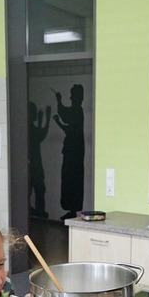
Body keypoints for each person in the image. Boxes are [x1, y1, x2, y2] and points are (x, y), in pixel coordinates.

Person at [53, 84, 85, 221]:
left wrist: (59, 101)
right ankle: (71, 209)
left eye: (72, 95)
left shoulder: (77, 110)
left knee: (71, 179)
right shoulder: (77, 110)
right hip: (74, 151)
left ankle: (72, 209)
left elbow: (66, 118)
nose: (70, 97)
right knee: (70, 180)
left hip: (74, 153)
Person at [28, 101, 51, 219]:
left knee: (36, 189)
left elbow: (40, 133)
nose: (35, 114)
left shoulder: (28, 128)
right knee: (39, 189)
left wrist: (44, 119)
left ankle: (37, 211)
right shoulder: (29, 129)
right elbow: (42, 134)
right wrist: (47, 117)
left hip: (34, 164)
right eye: (34, 112)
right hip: (34, 164)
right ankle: (38, 211)